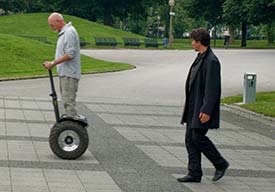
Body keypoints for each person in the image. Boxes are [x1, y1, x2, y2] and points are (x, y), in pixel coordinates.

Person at [177, 28, 229, 183]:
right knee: (190, 139)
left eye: (193, 40)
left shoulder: (211, 61)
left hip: (201, 108)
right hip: (193, 106)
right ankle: (194, 172)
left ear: (200, 42)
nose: (191, 43)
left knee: (198, 138)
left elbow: (213, 89)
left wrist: (206, 110)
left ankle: (220, 163)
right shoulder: (200, 57)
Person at [43, 12, 81, 118]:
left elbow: (70, 54)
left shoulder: (69, 32)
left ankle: (73, 127)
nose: (51, 27)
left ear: (59, 21)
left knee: (68, 102)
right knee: (66, 101)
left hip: (69, 74)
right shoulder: (64, 32)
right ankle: (70, 124)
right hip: (65, 73)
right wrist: (52, 62)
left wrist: (53, 63)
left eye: (52, 25)